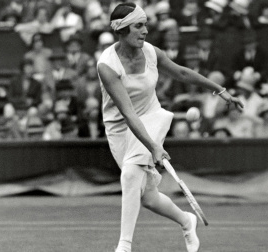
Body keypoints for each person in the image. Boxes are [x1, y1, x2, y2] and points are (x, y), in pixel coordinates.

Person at [96, 3, 243, 252]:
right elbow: (128, 113)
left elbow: (183, 73)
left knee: (130, 175)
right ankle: (187, 221)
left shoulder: (152, 52)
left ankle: (124, 246)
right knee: (147, 197)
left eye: (146, 26)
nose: (145, 32)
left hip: (151, 117)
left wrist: (221, 91)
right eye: (138, 26)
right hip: (121, 127)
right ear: (121, 30)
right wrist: (153, 147)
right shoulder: (107, 66)